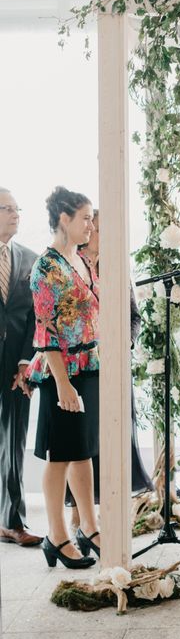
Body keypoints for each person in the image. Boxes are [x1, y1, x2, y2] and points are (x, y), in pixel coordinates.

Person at [26, 187, 100, 569]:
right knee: (60, 456)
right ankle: (56, 535)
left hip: (90, 366)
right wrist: (63, 384)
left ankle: (89, 525)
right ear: (64, 219)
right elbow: (46, 332)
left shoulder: (83, 259)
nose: (91, 224)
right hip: (63, 372)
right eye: (85, 217)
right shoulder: (47, 267)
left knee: (83, 452)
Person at [66, 208, 152, 528]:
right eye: (95, 227)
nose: (97, 233)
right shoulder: (70, 265)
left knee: (116, 439)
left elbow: (134, 316)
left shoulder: (116, 265)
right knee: (84, 443)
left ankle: (108, 517)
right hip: (82, 367)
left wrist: (122, 346)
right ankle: (79, 519)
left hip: (115, 368)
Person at [0, 187, 42, 547]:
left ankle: (14, 521)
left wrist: (26, 362)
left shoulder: (29, 258)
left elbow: (34, 318)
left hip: (16, 367)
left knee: (13, 445)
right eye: (8, 209)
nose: (16, 214)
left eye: (18, 208)